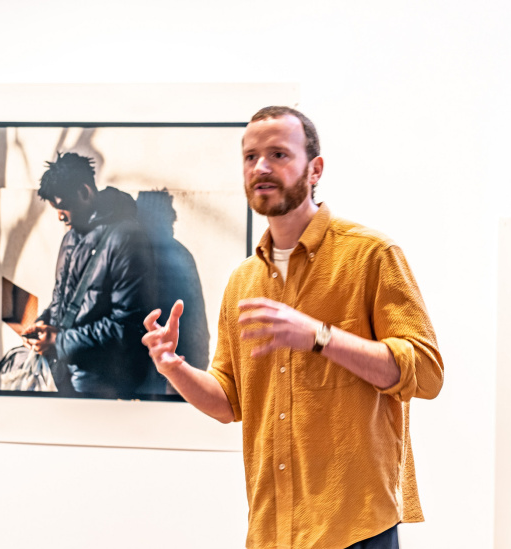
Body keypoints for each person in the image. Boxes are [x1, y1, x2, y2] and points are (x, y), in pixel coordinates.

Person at [142, 106, 444, 549]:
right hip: (272, 530)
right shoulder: (242, 281)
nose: (261, 167)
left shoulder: (371, 255)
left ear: (314, 169)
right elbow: (228, 403)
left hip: (355, 529)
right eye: (250, 157)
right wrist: (173, 367)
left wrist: (320, 337)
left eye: (278, 154)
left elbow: (428, 374)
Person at [23, 152, 164, 397]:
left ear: (85, 192)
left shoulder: (127, 240)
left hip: (101, 383)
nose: (59, 215)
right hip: (66, 373)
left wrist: (58, 342)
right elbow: (62, 299)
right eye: (56, 208)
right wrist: (43, 324)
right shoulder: (71, 237)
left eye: (63, 206)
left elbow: (128, 328)